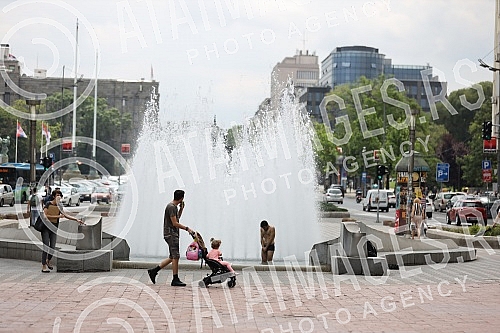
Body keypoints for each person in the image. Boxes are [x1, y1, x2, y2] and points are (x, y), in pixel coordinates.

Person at [147, 190, 193, 286]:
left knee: (172, 256)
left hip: (172, 234)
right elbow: (175, 223)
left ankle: (154, 271)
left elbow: (176, 218)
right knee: (176, 256)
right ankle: (175, 279)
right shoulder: (171, 207)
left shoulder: (174, 207)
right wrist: (187, 229)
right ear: (181, 198)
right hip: (171, 234)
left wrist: (181, 209)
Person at [41, 190, 84, 272]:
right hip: (45, 228)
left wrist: (76, 219)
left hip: (54, 228)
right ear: (54, 196)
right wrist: (57, 216)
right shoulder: (48, 204)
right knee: (46, 246)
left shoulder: (59, 206)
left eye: (60, 195)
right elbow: (45, 215)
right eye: (57, 195)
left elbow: (65, 215)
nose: (59, 197)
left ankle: (48, 261)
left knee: (52, 247)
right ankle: (43, 266)